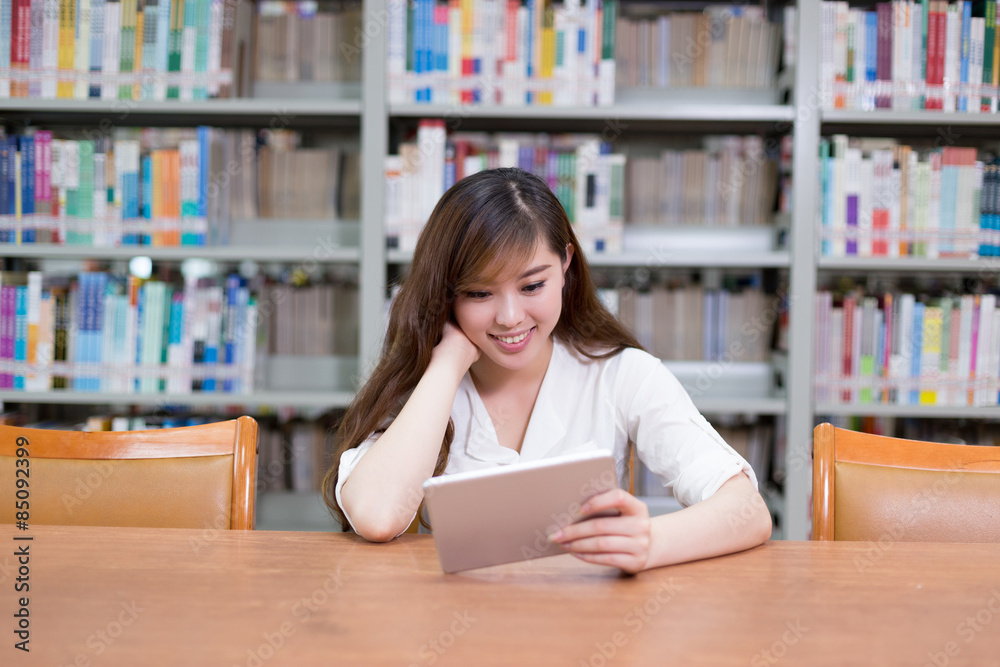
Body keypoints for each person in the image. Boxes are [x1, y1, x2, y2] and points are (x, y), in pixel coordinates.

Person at [322, 167, 771, 573]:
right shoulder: (429, 383)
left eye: (532, 285)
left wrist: (651, 541)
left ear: (566, 266)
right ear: (446, 295)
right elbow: (378, 516)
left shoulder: (621, 374)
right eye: (479, 294)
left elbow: (747, 511)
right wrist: (448, 360)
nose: (511, 317)